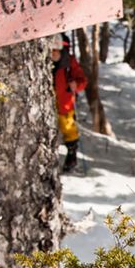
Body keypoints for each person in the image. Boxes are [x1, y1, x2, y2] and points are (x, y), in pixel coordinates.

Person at [50, 33, 87, 174]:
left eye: (57, 49)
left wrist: (76, 84)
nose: (54, 52)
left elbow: (82, 80)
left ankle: (72, 156)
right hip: (48, 104)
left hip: (65, 103)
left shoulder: (69, 62)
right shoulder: (42, 60)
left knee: (68, 129)